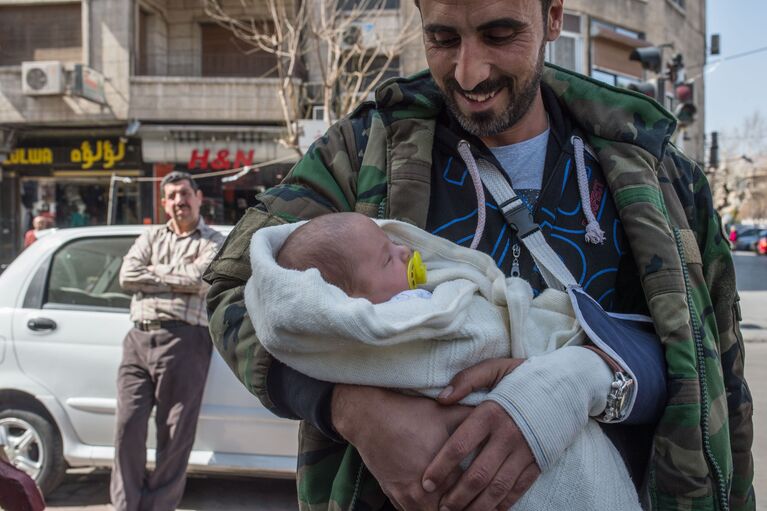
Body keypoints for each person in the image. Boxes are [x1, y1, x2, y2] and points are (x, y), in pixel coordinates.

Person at [204, 0, 754, 509]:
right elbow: (235, 291)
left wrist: (582, 381)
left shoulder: (657, 171)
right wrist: (349, 407)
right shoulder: (361, 153)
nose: (470, 73)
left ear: (554, 17)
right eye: (443, 38)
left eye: (500, 33)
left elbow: (713, 376)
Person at [246, 212, 642, 510]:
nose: (405, 251)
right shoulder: (359, 145)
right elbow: (251, 303)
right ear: (347, 307)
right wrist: (350, 407)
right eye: (387, 259)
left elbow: (692, 343)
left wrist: (587, 373)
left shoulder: (647, 165)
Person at [110, 171, 225, 511]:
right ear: (164, 203)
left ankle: (158, 506)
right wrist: (175, 276)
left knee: (174, 433)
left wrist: (154, 273)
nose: (179, 201)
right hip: (138, 337)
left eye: (185, 194)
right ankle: (126, 505)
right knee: (127, 425)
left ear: (198, 197)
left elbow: (201, 279)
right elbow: (126, 275)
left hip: (186, 338)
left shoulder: (214, 241)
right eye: (172, 196)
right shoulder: (150, 237)